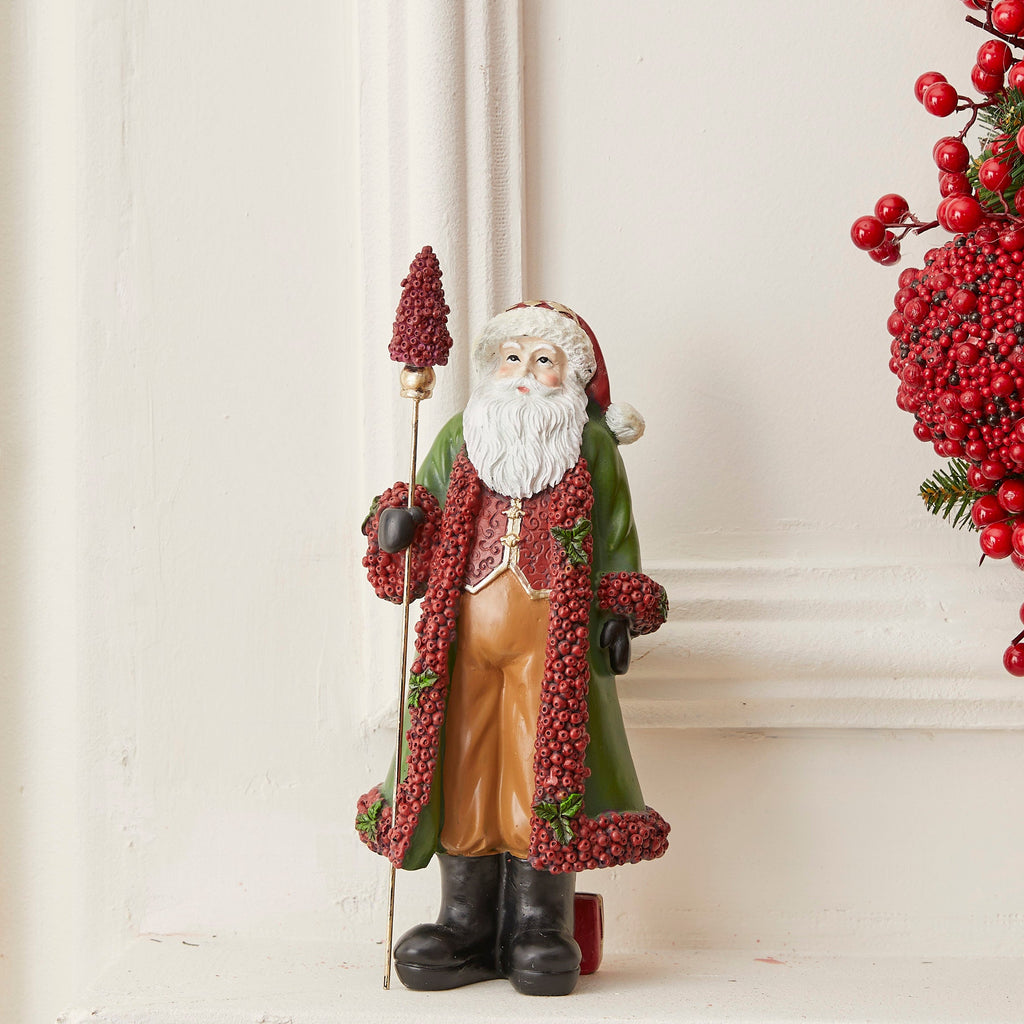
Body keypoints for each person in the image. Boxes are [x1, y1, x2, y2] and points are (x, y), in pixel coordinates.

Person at [356, 301, 669, 996]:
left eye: (543, 360)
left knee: (543, 765)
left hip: (552, 641)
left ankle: (538, 922)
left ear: (572, 377)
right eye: (512, 357)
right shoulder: (458, 437)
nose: (524, 372)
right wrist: (399, 528)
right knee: (462, 760)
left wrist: (619, 609)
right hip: (463, 638)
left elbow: (616, 532)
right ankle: (465, 921)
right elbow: (423, 517)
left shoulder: (589, 448)